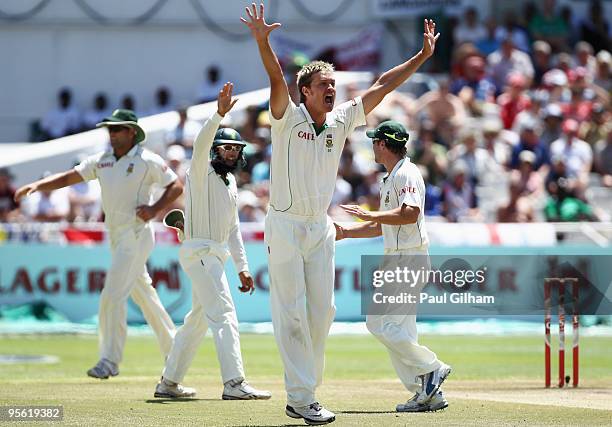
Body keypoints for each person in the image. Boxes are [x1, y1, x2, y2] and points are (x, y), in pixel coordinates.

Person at [241, 3, 439, 424]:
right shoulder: (286, 117)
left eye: (333, 83)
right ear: (306, 91)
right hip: (285, 224)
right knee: (290, 312)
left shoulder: (342, 120)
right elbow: (276, 78)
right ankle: (302, 396)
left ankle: (305, 392)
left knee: (322, 314)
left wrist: (421, 57)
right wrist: (263, 42)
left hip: (320, 226)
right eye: (323, 84)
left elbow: (383, 84)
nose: (332, 89)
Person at [15, 109, 182, 379]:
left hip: (137, 233)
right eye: (110, 130)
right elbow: (70, 177)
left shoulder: (147, 160)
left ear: (131, 132)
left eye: (117, 130)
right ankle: (176, 352)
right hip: (116, 236)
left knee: (112, 295)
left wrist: (154, 209)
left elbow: (175, 185)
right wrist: (37, 185)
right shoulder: (102, 160)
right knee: (145, 297)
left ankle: (109, 360)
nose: (112, 134)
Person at [153, 82, 271, 401]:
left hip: (215, 255)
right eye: (225, 148)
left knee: (198, 322)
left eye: (235, 149)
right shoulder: (200, 171)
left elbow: (233, 228)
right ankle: (234, 383)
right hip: (201, 251)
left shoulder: (230, 181)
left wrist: (243, 268)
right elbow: (202, 142)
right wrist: (218, 114)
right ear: (215, 150)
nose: (231, 152)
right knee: (224, 314)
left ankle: (168, 382)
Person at [335, 120, 451, 412]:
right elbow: (386, 225)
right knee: (401, 331)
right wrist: (348, 232)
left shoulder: (406, 173)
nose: (373, 145)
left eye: (375, 141)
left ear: (383, 145)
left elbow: (409, 214)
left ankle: (432, 368)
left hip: (407, 258)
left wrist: (367, 213)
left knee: (377, 322)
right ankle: (426, 392)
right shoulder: (391, 176)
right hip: (400, 256)